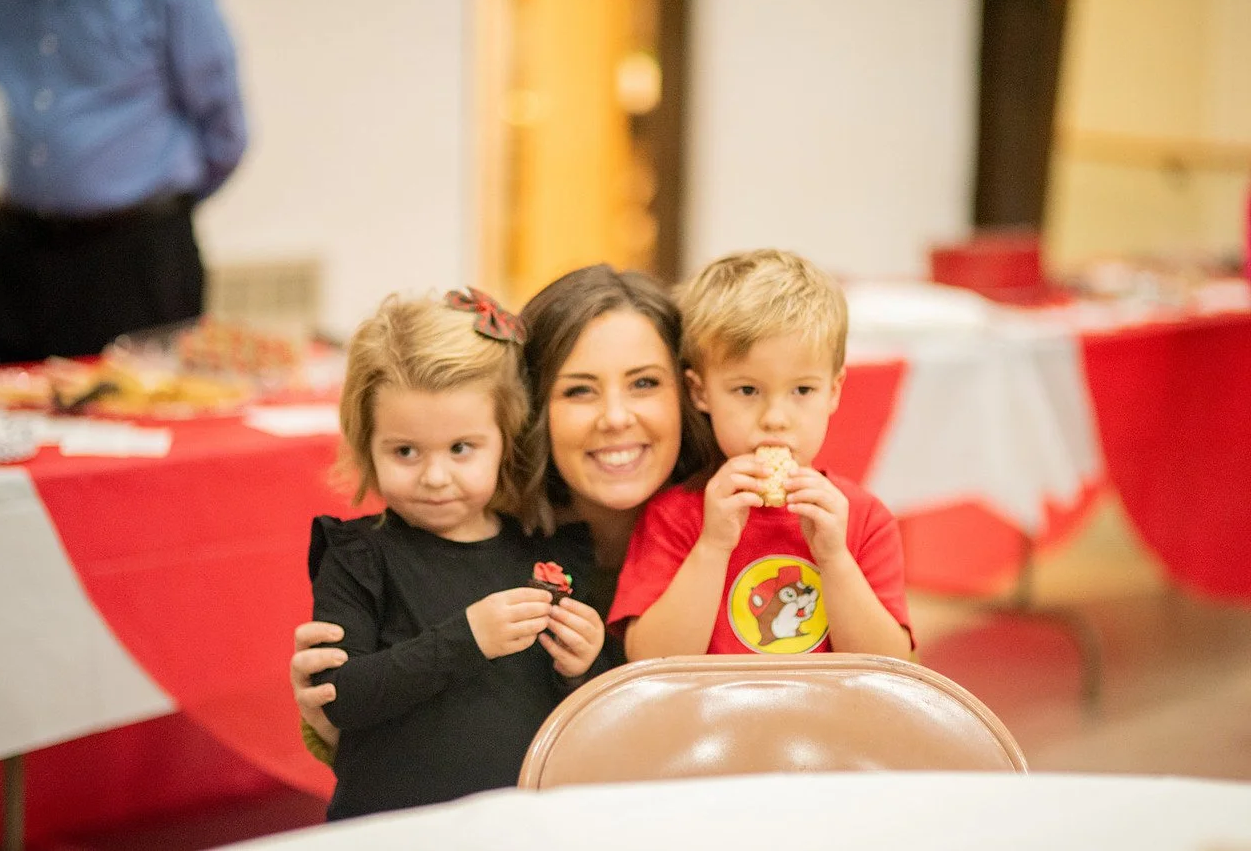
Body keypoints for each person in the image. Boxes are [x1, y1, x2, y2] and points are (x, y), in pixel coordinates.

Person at [292, 264, 715, 755]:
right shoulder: (484, 543)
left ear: (689, 393)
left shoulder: (741, 533)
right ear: (526, 410)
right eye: (579, 390)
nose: (616, 417)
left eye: (644, 383)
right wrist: (328, 723)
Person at [307, 288, 606, 819]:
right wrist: (467, 639)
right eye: (405, 451)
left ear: (504, 439)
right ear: (365, 443)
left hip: (526, 827)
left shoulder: (550, 554)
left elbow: (589, 715)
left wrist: (584, 666)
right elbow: (339, 697)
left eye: (461, 448)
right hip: (391, 829)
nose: (435, 477)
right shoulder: (359, 557)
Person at [609, 248, 913, 660]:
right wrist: (713, 546)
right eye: (747, 390)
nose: (775, 419)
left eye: (802, 390)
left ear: (834, 391)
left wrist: (835, 558)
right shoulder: (675, 517)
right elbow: (648, 662)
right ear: (700, 392)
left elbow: (891, 669)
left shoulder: (862, 520)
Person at [0, 0, 247, 366]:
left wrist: (159, 208)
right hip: (11, 245)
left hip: (131, 252)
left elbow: (223, 131)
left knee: (138, 412)